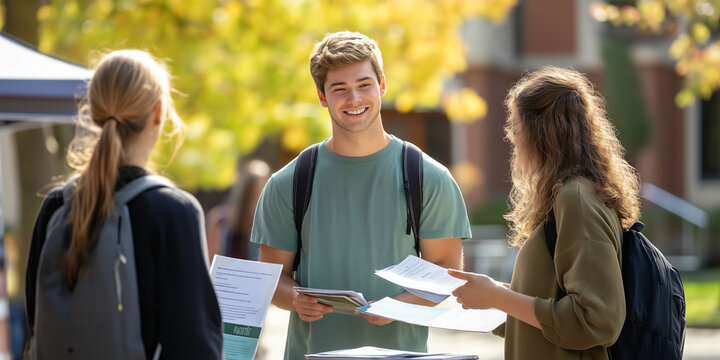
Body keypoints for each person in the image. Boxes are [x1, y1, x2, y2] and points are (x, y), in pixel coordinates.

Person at [250, 31, 472, 359]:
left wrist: (397, 306)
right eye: (339, 89)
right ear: (322, 97)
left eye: (364, 84)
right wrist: (295, 298)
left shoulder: (429, 178)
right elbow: (271, 280)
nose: (354, 98)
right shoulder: (290, 182)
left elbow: (448, 276)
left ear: (382, 86)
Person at [25, 50, 223, 359]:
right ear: (159, 112)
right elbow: (193, 345)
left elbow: (37, 324)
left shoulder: (56, 206)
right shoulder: (173, 211)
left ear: (94, 112)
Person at [448, 66, 641, 359]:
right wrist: (494, 296)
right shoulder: (568, 196)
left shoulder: (575, 199)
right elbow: (554, 297)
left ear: (539, 132)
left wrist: (498, 296)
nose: (511, 138)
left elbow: (596, 321)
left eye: (514, 127)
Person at [206, 158, 270, 260]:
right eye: (255, 194)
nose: (260, 200)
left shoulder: (269, 228)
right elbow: (211, 261)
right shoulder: (220, 221)